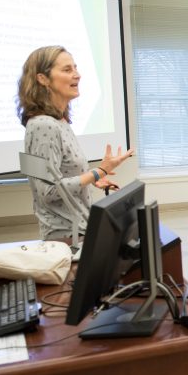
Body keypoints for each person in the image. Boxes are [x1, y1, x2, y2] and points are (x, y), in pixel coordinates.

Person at [17, 45, 134, 242]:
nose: (77, 75)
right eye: (67, 70)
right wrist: (98, 171)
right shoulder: (42, 126)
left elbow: (55, 175)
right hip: (66, 237)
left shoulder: (58, 121)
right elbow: (47, 191)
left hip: (81, 227)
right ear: (42, 79)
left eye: (75, 68)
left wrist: (92, 179)